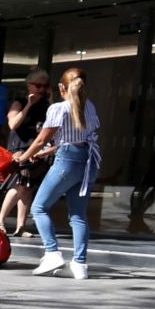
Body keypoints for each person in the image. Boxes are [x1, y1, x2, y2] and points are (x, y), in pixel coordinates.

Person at [16, 66, 100, 279]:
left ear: (62, 88)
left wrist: (24, 157)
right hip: (88, 161)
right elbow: (77, 139)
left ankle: (52, 253)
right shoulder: (89, 106)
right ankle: (80, 265)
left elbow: (41, 139)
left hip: (67, 161)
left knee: (39, 207)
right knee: (78, 216)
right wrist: (47, 152)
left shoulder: (59, 108)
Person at [0, 69, 53, 235]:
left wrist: (50, 99)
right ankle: (0, 218)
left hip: (36, 149)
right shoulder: (19, 103)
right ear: (29, 85)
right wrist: (28, 105)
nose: (41, 89)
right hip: (19, 148)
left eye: (45, 86)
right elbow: (13, 124)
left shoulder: (47, 106)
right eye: (38, 85)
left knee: (28, 187)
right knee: (20, 183)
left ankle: (21, 225)